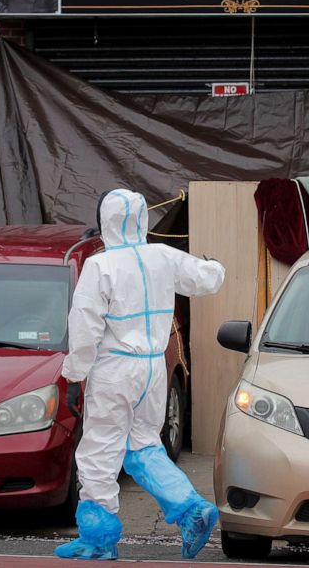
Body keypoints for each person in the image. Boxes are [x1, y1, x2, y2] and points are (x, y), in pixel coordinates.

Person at [55, 189, 225, 561]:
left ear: (106, 222)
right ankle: (190, 506)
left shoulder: (101, 266)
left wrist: (73, 375)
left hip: (115, 368)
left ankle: (98, 539)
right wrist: (214, 264)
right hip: (153, 368)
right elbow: (208, 279)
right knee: (143, 446)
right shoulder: (161, 256)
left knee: (100, 450)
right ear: (143, 220)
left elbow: (84, 327)